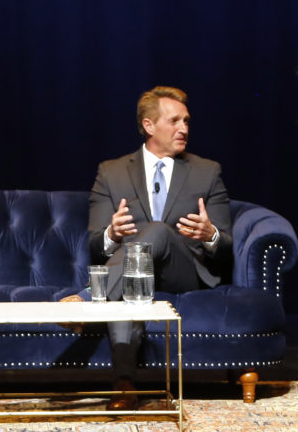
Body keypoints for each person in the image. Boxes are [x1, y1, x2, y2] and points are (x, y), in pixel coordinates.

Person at [81, 86, 232, 409]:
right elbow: (95, 244)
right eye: (175, 121)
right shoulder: (112, 172)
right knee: (130, 278)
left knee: (158, 231)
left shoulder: (207, 171)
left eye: (187, 121)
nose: (184, 129)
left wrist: (209, 234)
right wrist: (111, 232)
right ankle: (124, 385)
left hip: (183, 272)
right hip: (130, 276)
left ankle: (86, 299)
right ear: (149, 125)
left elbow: (226, 245)